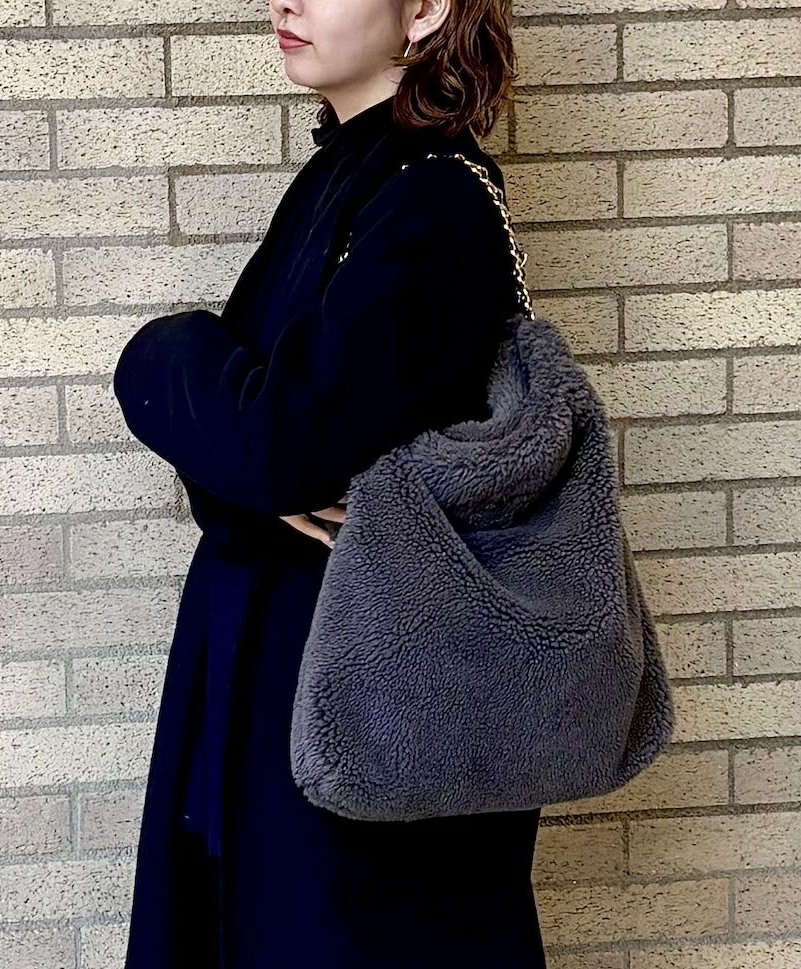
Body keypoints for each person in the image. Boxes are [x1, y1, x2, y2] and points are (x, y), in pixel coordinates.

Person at [111, 0, 547, 962]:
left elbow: (276, 449)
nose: (285, 0)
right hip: (307, 683)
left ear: (424, 10)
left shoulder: (432, 202)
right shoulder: (353, 174)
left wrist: (162, 349)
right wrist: (244, 461)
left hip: (359, 710)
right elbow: (260, 455)